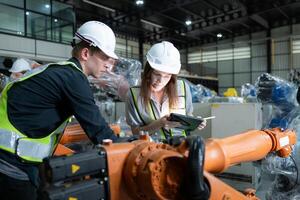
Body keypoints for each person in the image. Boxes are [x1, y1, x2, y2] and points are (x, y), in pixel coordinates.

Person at [0, 21, 120, 200]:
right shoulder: (73, 78)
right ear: (86, 53)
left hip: (14, 161)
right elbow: (99, 131)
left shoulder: (62, 71)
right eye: (105, 58)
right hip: (11, 164)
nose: (109, 65)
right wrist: (127, 149)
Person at [126, 41, 206, 140]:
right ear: (148, 71)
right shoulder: (134, 95)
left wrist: (195, 122)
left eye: (167, 76)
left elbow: (188, 116)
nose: (161, 81)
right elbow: (135, 132)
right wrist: (159, 124)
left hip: (180, 147)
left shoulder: (183, 88)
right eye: (157, 74)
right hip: (151, 150)